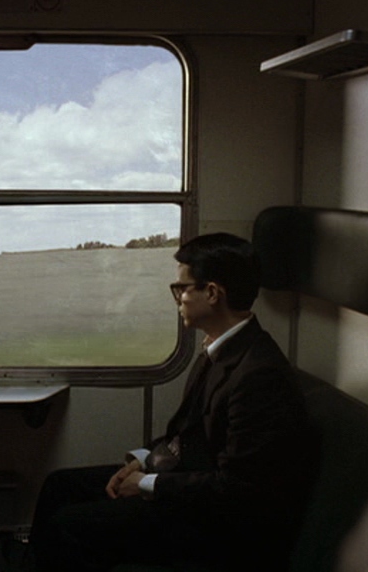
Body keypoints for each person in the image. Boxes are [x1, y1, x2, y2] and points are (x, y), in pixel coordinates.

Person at [27, 232, 314, 572]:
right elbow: (187, 435)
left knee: (69, 526)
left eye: (182, 289)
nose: (178, 299)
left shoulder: (258, 375)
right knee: (59, 486)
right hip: (192, 484)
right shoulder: (218, 349)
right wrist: (144, 461)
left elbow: (238, 489)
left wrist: (148, 484)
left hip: (220, 528)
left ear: (212, 293)